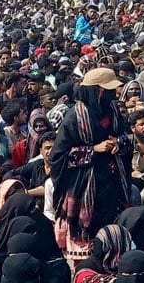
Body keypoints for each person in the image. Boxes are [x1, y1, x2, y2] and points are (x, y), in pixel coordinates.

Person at [51, 68, 132, 262]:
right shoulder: (74, 117)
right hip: (85, 185)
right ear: (95, 91)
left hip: (112, 180)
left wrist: (117, 143)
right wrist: (93, 149)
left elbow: (126, 136)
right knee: (88, 237)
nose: (112, 95)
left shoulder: (113, 110)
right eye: (107, 90)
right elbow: (58, 156)